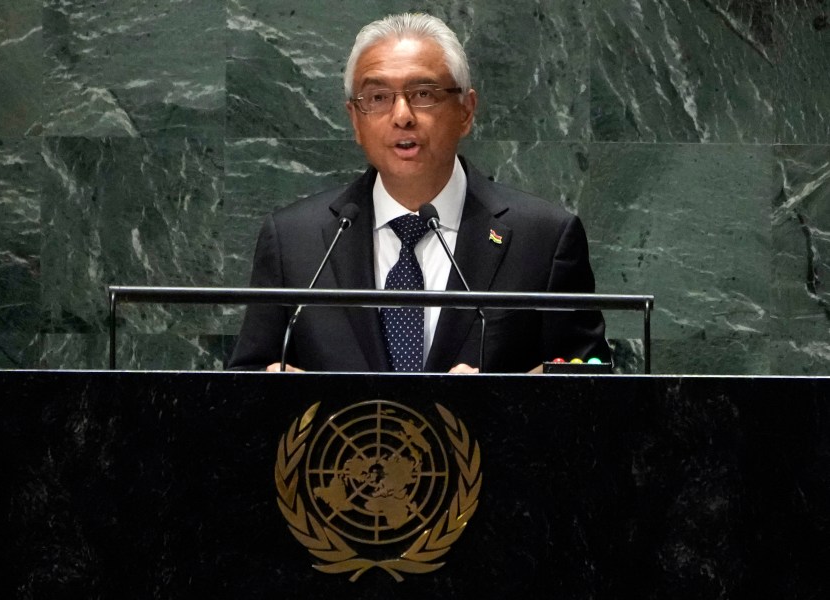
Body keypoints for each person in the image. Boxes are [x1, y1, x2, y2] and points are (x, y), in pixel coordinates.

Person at [228, 13, 609, 373]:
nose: (402, 115)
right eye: (377, 98)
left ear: (466, 110)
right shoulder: (296, 241)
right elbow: (244, 382)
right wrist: (271, 388)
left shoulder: (543, 240)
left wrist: (510, 398)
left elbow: (593, 381)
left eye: (423, 93)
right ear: (355, 120)